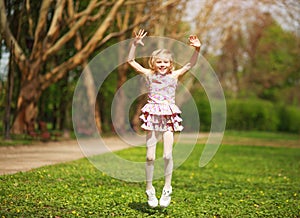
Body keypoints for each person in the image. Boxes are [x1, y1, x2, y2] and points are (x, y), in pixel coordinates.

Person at [127, 29, 201, 208]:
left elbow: (190, 65)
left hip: (168, 116)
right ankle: (149, 189)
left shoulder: (174, 76)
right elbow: (130, 61)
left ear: (170, 64)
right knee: (150, 157)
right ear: (153, 63)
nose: (162, 64)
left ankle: (167, 188)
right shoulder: (149, 74)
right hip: (152, 116)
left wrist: (197, 50)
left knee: (167, 154)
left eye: (165, 62)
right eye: (159, 61)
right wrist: (134, 45)